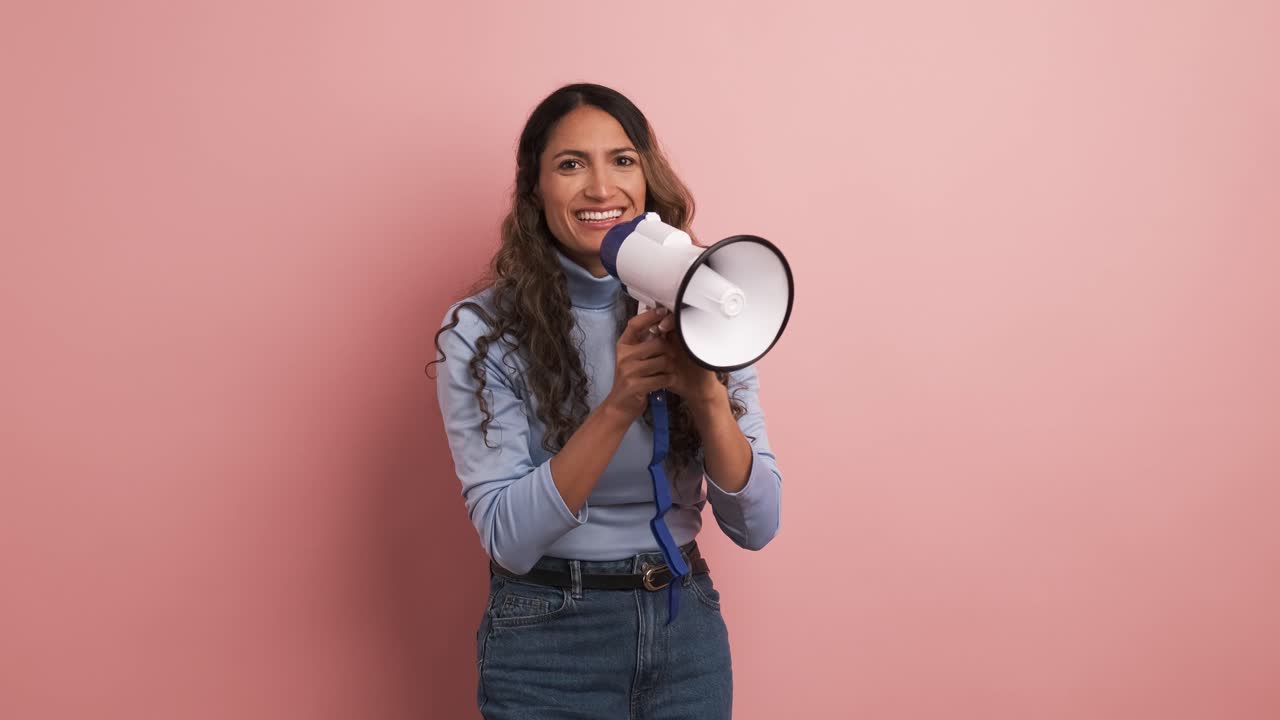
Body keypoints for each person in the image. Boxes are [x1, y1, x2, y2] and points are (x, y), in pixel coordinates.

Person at [428, 82, 783, 720]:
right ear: (534, 190)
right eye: (571, 164)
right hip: (548, 641)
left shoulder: (705, 303)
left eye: (622, 160)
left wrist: (705, 391)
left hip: (685, 635)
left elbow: (756, 525)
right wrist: (621, 402)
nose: (600, 188)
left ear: (647, 176)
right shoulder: (483, 333)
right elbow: (509, 538)